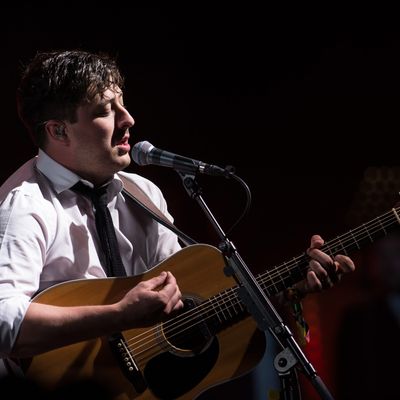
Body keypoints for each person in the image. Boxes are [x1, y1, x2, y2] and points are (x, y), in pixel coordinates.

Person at [0, 50, 355, 397]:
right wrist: (118, 316)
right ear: (58, 131)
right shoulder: (24, 205)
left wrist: (283, 290)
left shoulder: (142, 194)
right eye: (106, 111)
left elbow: (190, 303)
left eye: (122, 104)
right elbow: (3, 321)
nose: (128, 120)